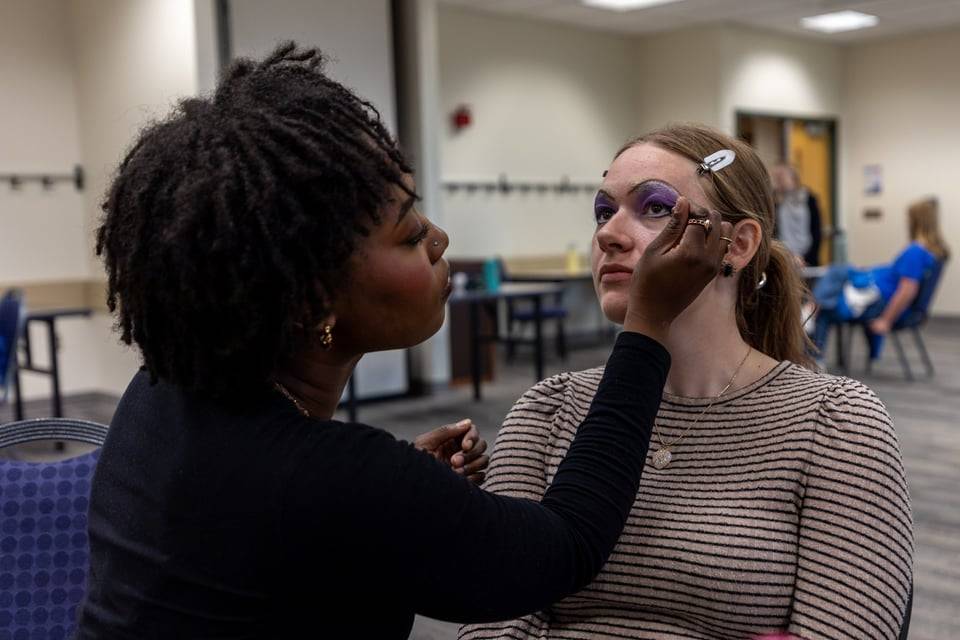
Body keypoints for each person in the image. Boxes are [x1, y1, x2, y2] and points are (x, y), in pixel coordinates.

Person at [75, 45, 731, 639]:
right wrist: (648, 325)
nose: (441, 240)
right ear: (312, 300)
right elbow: (564, 547)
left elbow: (279, 528)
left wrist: (393, 502)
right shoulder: (339, 479)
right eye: (411, 236)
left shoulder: (160, 395)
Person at [461, 124, 913, 640]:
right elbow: (493, 622)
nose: (608, 233)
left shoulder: (836, 422)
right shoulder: (546, 411)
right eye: (603, 212)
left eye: (654, 207)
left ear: (737, 245)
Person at [811, 197, 950, 359]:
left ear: (917, 221)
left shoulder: (916, 251)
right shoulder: (932, 251)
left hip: (879, 300)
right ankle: (814, 306)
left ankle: (815, 358)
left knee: (826, 305)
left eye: (909, 219)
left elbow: (907, 290)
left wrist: (886, 320)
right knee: (838, 273)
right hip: (877, 292)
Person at [771, 163, 822, 266]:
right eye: (776, 178)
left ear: (793, 178)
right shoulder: (774, 200)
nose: (778, 182)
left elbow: (816, 230)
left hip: (807, 256)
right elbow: (772, 232)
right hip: (783, 256)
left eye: (781, 177)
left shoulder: (808, 198)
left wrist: (806, 257)